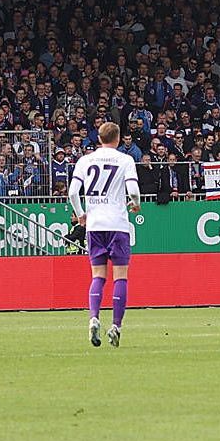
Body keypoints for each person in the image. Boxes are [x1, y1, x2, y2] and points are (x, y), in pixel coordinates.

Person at [69, 120, 141, 348]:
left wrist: (81, 215)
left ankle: (93, 319)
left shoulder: (85, 160)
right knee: (120, 277)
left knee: (98, 276)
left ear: (98, 139)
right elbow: (134, 190)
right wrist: (136, 203)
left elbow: (72, 192)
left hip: (95, 225)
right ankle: (116, 326)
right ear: (118, 139)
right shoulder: (125, 160)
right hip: (117, 224)